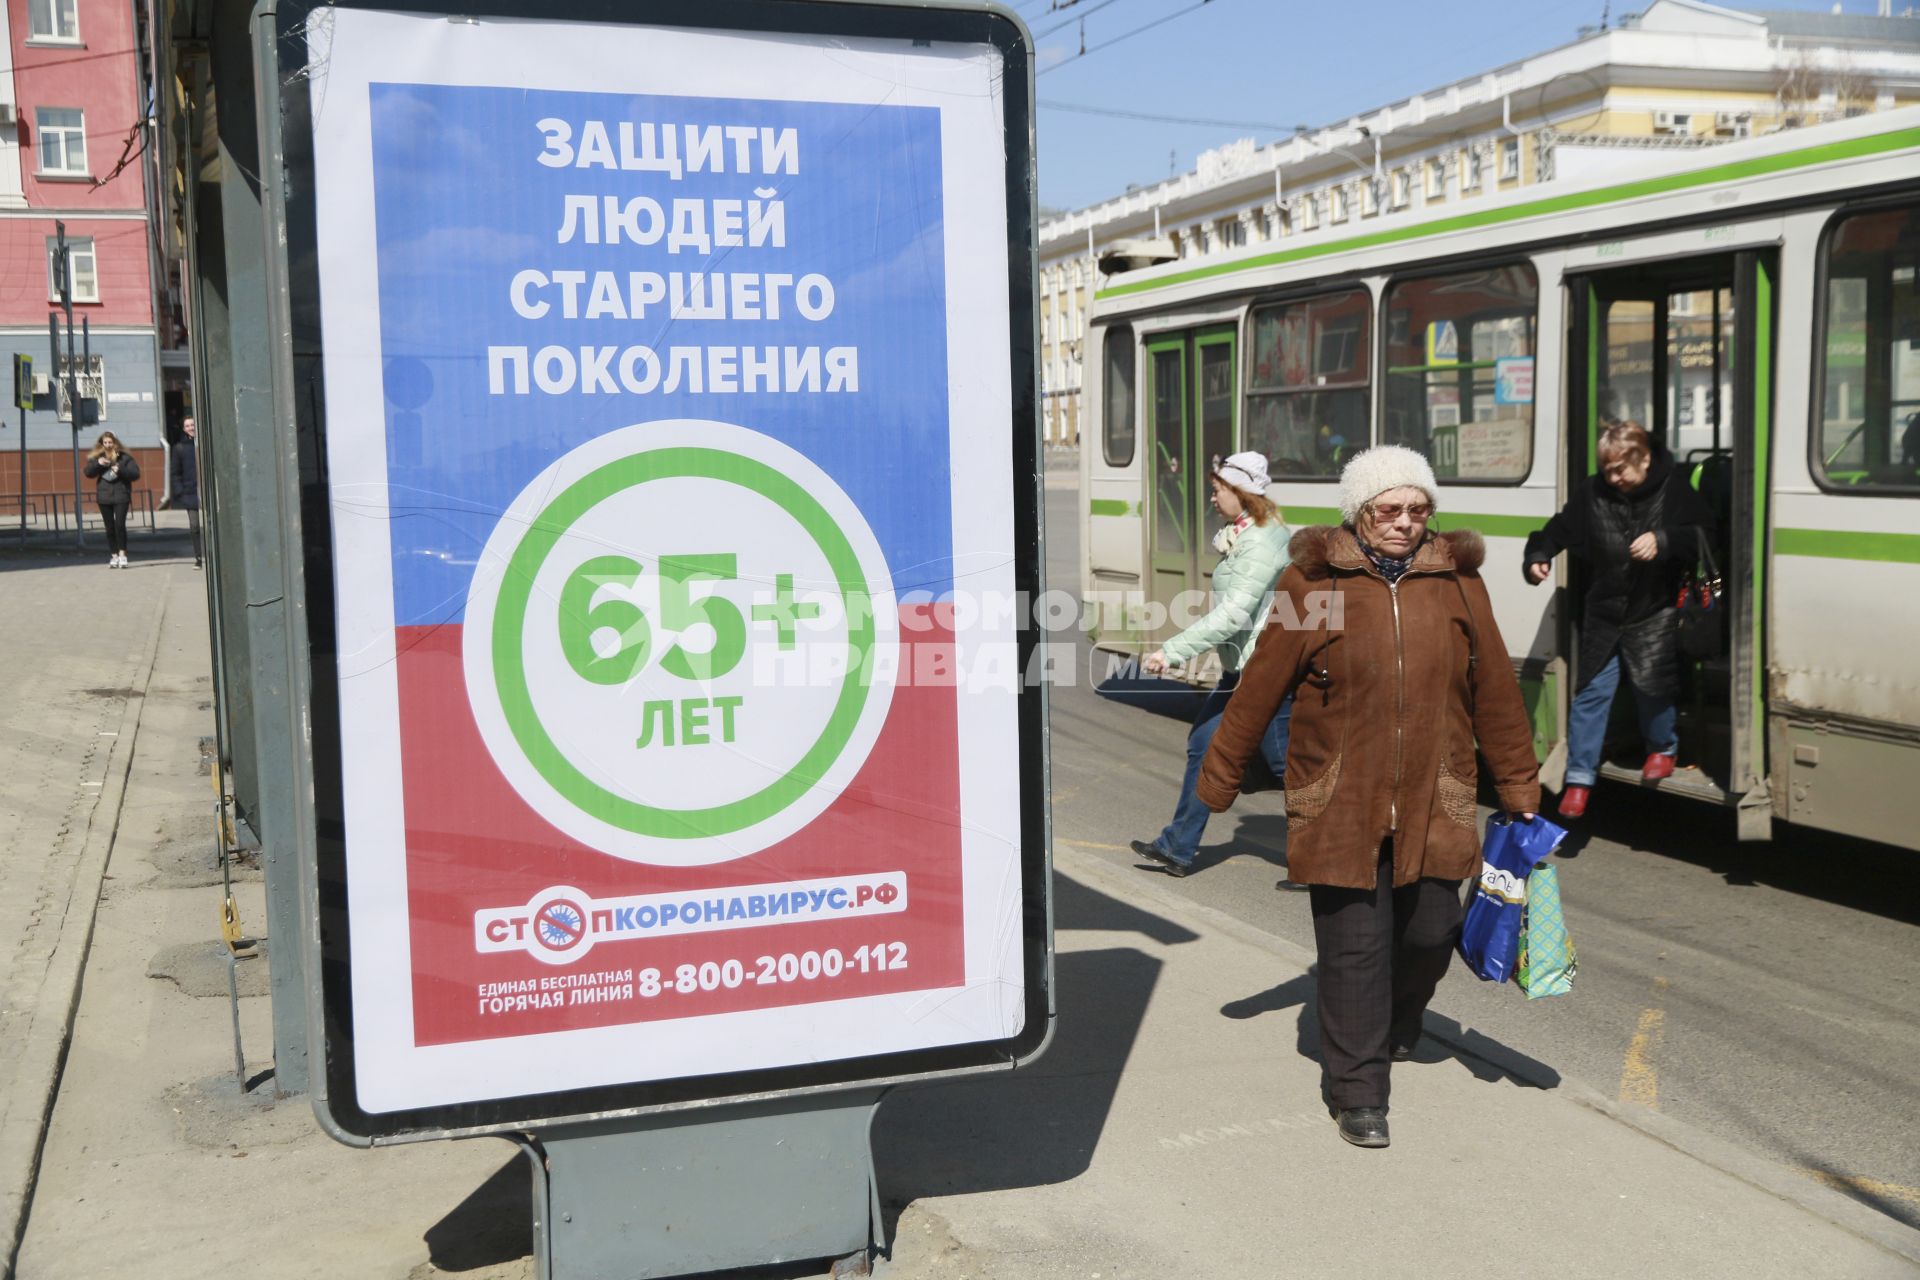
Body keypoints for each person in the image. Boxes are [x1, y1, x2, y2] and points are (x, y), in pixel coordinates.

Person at [1195, 444, 1541, 1149]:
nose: (1406, 522)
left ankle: (1397, 1021)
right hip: (1340, 799)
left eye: (1419, 510)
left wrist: (1518, 784)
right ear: (1359, 513)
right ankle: (1358, 1091)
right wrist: (1221, 772)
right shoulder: (1312, 583)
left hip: (1435, 794)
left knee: (1430, 932)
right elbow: (1261, 682)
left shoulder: (1457, 583)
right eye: (1390, 510)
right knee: (1353, 951)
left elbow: (1496, 691)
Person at [1522, 420, 1714, 818]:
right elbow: (1559, 528)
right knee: (1591, 691)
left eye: (1620, 469)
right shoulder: (1593, 492)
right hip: (1605, 610)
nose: (1613, 478)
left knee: (1652, 687)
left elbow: (1705, 535)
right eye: (1607, 470)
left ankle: (1663, 747)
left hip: (1653, 608)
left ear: (1643, 459)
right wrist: (1539, 556)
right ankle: (1578, 779)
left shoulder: (1674, 488)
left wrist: (1663, 540)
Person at [1128, 451, 1295, 878]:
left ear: (1242, 493)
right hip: (1243, 669)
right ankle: (1178, 847)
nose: (1213, 498)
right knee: (1204, 745)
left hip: (1263, 673)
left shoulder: (1258, 543)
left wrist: (1173, 651)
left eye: (1217, 490)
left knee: (1290, 769)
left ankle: (1330, 859)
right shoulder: (1250, 532)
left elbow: (1233, 615)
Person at [83, 431, 141, 569]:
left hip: (121, 495)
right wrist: (98, 464)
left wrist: (120, 469)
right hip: (104, 497)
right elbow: (88, 473)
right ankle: (114, 555)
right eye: (105, 443)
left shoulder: (124, 457)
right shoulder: (98, 457)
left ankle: (122, 555)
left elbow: (135, 474)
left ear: (115, 443)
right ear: (102, 444)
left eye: (110, 442)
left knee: (119, 526)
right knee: (109, 528)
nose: (108, 445)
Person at [170, 416, 202, 569]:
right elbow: (175, 473)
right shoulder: (180, 448)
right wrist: (180, 492)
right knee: (194, 526)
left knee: (211, 526)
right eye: (188, 426)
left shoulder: (205, 444)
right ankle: (198, 557)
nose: (191, 428)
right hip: (190, 492)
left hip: (207, 491)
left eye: (193, 425)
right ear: (184, 429)